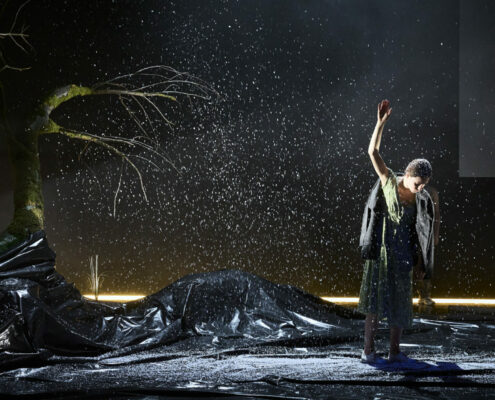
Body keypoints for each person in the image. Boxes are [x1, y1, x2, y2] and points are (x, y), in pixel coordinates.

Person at [357, 99, 435, 364]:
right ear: (408, 175)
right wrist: (379, 124)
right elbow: (372, 152)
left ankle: (394, 351)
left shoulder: (422, 199)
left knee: (400, 305)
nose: (420, 188)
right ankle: (368, 351)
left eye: (424, 185)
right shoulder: (389, 180)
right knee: (375, 304)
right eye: (418, 183)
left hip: (403, 256)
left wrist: (421, 262)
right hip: (382, 253)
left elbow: (423, 233)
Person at [417, 185, 440, 307]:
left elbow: (436, 215)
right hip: (412, 230)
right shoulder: (408, 188)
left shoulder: (431, 192)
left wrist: (435, 234)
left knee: (425, 265)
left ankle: (424, 295)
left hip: (426, 232)